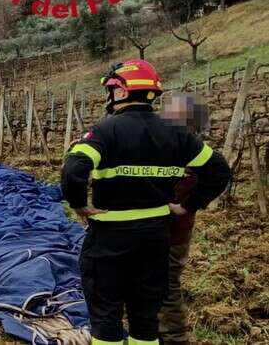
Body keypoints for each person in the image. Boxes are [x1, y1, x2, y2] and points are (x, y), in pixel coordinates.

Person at [60, 60, 230, 345]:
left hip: (109, 240)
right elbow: (219, 171)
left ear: (123, 92)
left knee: (106, 316)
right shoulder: (178, 134)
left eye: (112, 89)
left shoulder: (105, 130)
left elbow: (73, 169)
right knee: (145, 318)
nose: (109, 96)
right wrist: (188, 205)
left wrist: (79, 204)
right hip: (155, 238)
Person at [157, 93, 212, 345]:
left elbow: (216, 177)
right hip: (164, 232)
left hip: (172, 234)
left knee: (167, 286)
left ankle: (174, 338)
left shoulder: (190, 156)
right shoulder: (176, 148)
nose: (162, 117)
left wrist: (185, 206)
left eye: (170, 115)